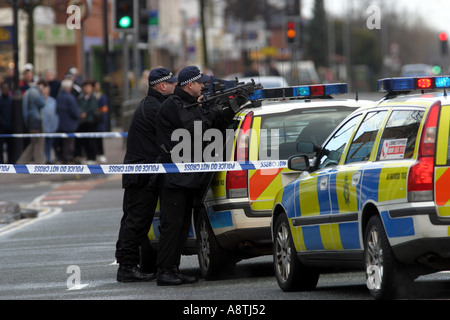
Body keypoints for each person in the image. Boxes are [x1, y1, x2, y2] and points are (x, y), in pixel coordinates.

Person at [155, 66, 248, 286]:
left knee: (182, 226)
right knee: (173, 226)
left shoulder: (189, 104)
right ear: (189, 85)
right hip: (175, 177)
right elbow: (195, 130)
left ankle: (173, 269)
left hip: (187, 177)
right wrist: (211, 110)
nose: (203, 86)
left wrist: (231, 108)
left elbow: (212, 128)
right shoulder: (173, 105)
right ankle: (165, 271)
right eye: (200, 83)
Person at [115, 67, 178, 282]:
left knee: (134, 220)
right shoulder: (154, 109)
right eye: (172, 83)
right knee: (136, 221)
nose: (175, 86)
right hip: (141, 174)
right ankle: (126, 267)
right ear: (162, 86)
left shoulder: (152, 105)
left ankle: (128, 263)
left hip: (141, 172)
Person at [17, 79, 46, 164]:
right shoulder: (35, 92)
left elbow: (25, 108)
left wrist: (26, 120)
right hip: (36, 120)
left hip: (31, 120)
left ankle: (22, 161)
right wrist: (41, 94)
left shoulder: (27, 92)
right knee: (38, 142)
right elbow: (42, 103)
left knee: (34, 142)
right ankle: (38, 163)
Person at [55, 79, 79, 164]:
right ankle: (68, 159)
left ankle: (62, 158)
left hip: (60, 124)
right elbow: (75, 112)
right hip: (70, 124)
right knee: (69, 143)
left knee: (62, 142)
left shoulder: (58, 97)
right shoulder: (70, 98)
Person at [75, 80, 98, 164]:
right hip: (83, 122)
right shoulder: (81, 97)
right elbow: (78, 106)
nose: (87, 88)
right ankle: (87, 157)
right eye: (85, 87)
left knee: (91, 140)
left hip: (91, 121)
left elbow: (93, 107)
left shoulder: (94, 97)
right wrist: (81, 112)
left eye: (89, 87)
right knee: (84, 140)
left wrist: (86, 113)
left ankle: (92, 157)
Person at [41, 81, 59, 163]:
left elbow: (55, 114)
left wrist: (55, 125)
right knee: (41, 145)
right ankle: (43, 159)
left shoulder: (53, 101)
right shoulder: (40, 101)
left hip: (51, 127)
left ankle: (48, 159)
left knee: (49, 144)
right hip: (42, 126)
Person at [93, 81, 109, 163]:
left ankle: (101, 154)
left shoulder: (101, 96)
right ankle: (94, 154)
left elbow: (104, 109)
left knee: (99, 139)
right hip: (93, 121)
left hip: (99, 120)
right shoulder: (91, 96)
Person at [0, 82, 12, 163]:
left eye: (7, 88)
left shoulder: (11, 100)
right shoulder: (0, 100)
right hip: (1, 127)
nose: (5, 90)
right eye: (4, 88)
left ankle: (10, 162)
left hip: (9, 127)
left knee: (10, 146)